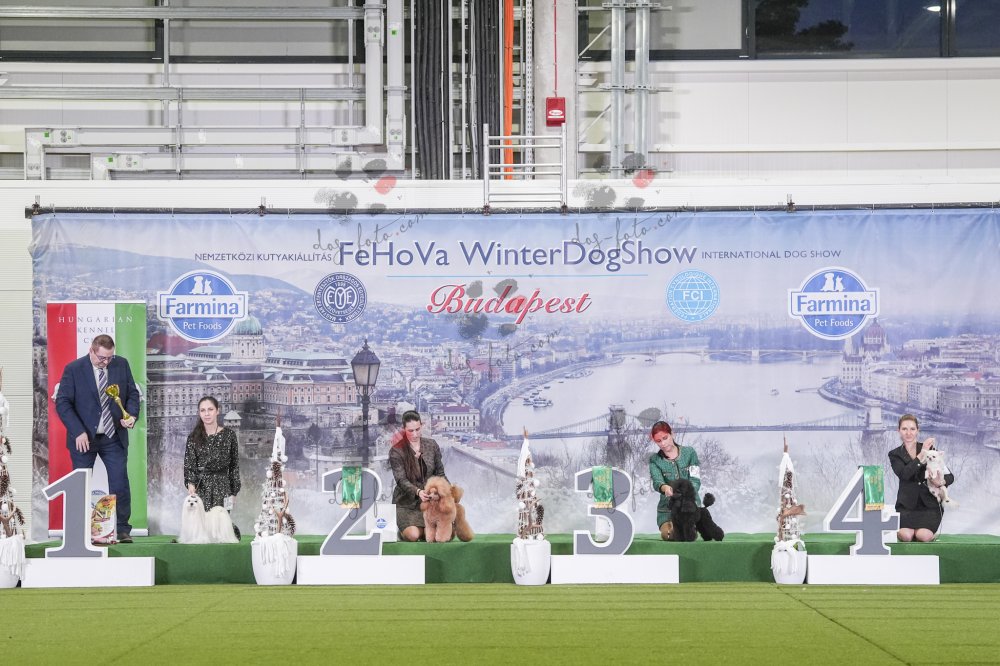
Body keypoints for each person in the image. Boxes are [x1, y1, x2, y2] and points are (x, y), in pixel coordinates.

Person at [55, 334, 141, 542]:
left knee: (120, 483)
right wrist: (78, 431)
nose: (106, 362)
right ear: (91, 351)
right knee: (80, 485)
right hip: (84, 438)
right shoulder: (74, 369)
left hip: (114, 436)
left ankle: (121, 529)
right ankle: (79, 530)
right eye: (102, 358)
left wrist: (130, 415)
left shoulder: (121, 364)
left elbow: (132, 394)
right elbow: (63, 403)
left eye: (110, 357)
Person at [888, 414, 954, 543]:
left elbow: (950, 476)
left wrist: (940, 482)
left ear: (918, 430)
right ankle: (911, 531)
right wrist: (922, 453)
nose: (908, 433)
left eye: (912, 429)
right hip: (906, 506)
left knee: (923, 536)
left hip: (929, 506)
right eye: (904, 429)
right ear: (898, 430)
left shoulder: (932, 450)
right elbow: (905, 474)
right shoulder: (894, 454)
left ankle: (926, 533)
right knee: (906, 536)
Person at [183, 396, 242, 538]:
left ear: (217, 411)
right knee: (203, 530)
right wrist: (191, 484)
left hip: (224, 488)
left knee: (222, 529)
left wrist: (234, 492)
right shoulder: (193, 437)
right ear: (199, 413)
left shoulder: (229, 435)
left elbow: (234, 465)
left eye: (210, 409)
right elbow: (189, 464)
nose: (207, 413)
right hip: (202, 488)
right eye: (203, 410)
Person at [648, 420, 712, 541]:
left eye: (665, 438)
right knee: (668, 535)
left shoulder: (690, 453)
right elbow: (657, 482)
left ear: (672, 434)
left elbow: (695, 480)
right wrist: (665, 488)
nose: (663, 443)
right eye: (658, 441)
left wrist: (686, 495)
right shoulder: (654, 460)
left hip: (691, 508)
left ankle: (692, 527)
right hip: (667, 510)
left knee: (687, 532)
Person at [388, 410, 447, 541]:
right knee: (413, 535)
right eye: (410, 431)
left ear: (421, 425)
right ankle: (407, 531)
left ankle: (428, 530)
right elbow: (401, 480)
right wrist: (418, 492)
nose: (415, 434)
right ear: (404, 429)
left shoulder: (432, 445)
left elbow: (440, 474)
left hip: (430, 503)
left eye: (417, 429)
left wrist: (449, 492)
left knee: (441, 534)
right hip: (406, 504)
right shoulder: (396, 451)